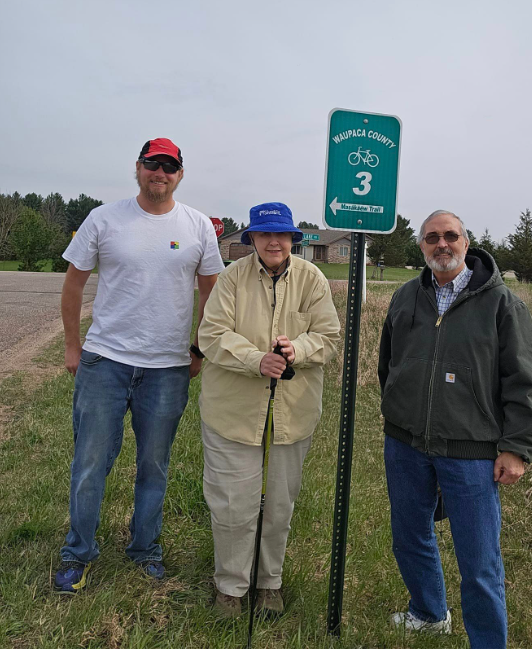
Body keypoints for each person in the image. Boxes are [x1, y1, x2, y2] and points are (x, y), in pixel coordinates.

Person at [54, 138, 224, 593]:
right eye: (153, 164)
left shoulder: (198, 227)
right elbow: (73, 285)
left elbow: (212, 294)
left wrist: (197, 350)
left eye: (169, 167)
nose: (160, 173)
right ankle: (78, 553)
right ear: (138, 168)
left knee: (155, 464)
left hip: (167, 369)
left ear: (180, 174)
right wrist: (74, 346)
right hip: (105, 361)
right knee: (90, 462)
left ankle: (145, 549)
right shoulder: (104, 219)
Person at [378, 210, 532, 648]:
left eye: (450, 236)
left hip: (471, 451)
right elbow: (388, 363)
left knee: (479, 562)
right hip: (406, 444)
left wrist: (517, 448)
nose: (441, 244)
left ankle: (488, 642)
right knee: (409, 535)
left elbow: (523, 381)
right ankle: (429, 613)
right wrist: (396, 414)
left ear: (466, 244)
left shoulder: (502, 303)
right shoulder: (406, 297)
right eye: (432, 238)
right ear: (422, 247)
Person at [197, 202, 340, 618]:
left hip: (292, 414)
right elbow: (211, 334)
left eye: (282, 234)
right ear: (252, 239)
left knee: (279, 506)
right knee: (232, 505)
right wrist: (255, 359)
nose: (274, 241)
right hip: (233, 411)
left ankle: (268, 584)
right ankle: (230, 587)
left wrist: (300, 348)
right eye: (264, 234)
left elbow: (328, 337)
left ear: (294, 239)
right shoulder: (231, 278)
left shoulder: (312, 278)